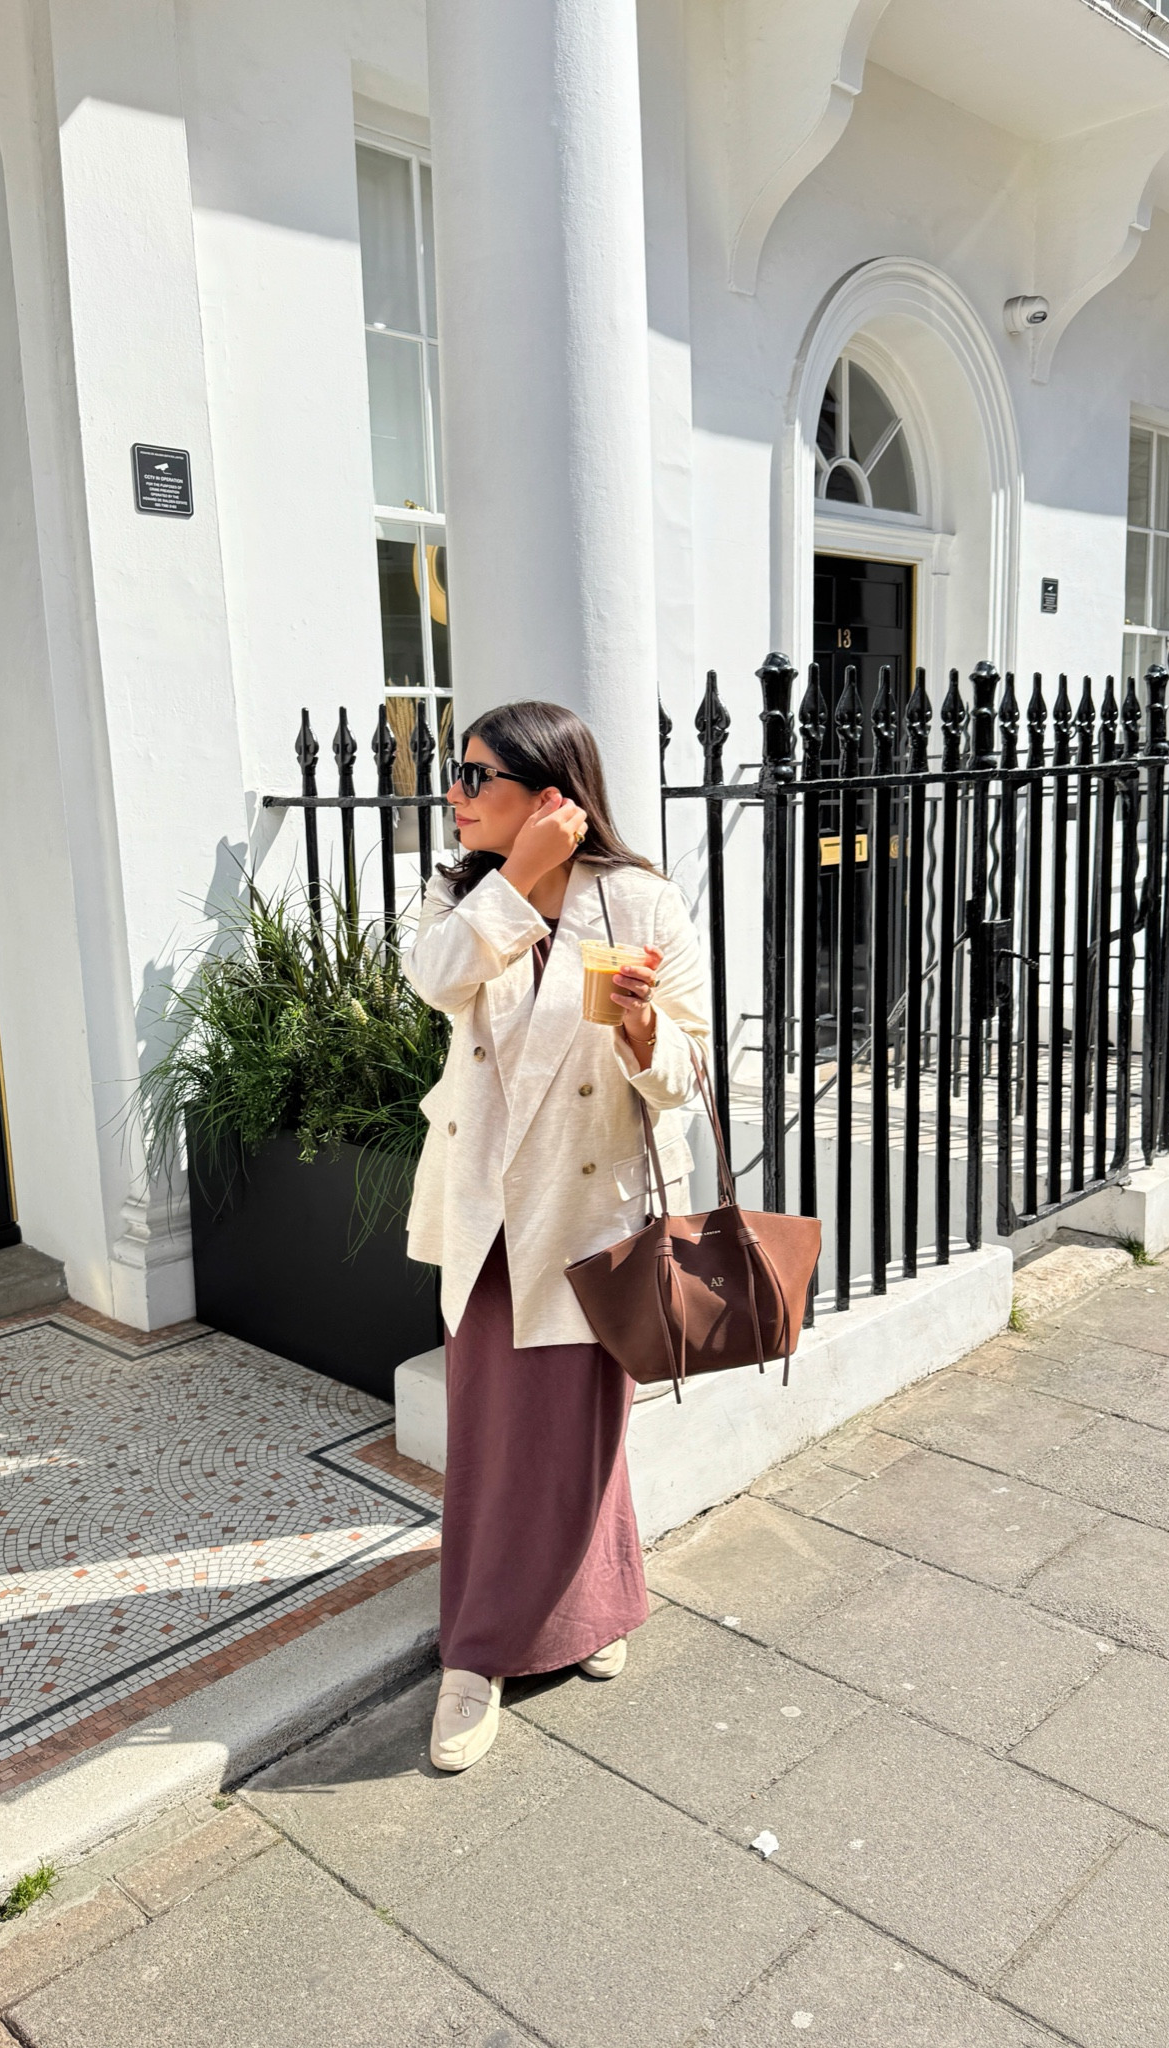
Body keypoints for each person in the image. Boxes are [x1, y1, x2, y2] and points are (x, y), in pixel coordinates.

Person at [402, 700, 711, 1771]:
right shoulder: (454, 893)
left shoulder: (641, 900)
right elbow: (431, 979)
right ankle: (475, 1651)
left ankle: (594, 1607)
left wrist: (637, 1025)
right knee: (492, 1432)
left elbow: (690, 1070)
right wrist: (514, 880)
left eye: (475, 773)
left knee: (584, 1420)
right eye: (457, 770)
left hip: (592, 1206)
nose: (454, 789)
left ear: (548, 790)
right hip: (490, 1200)